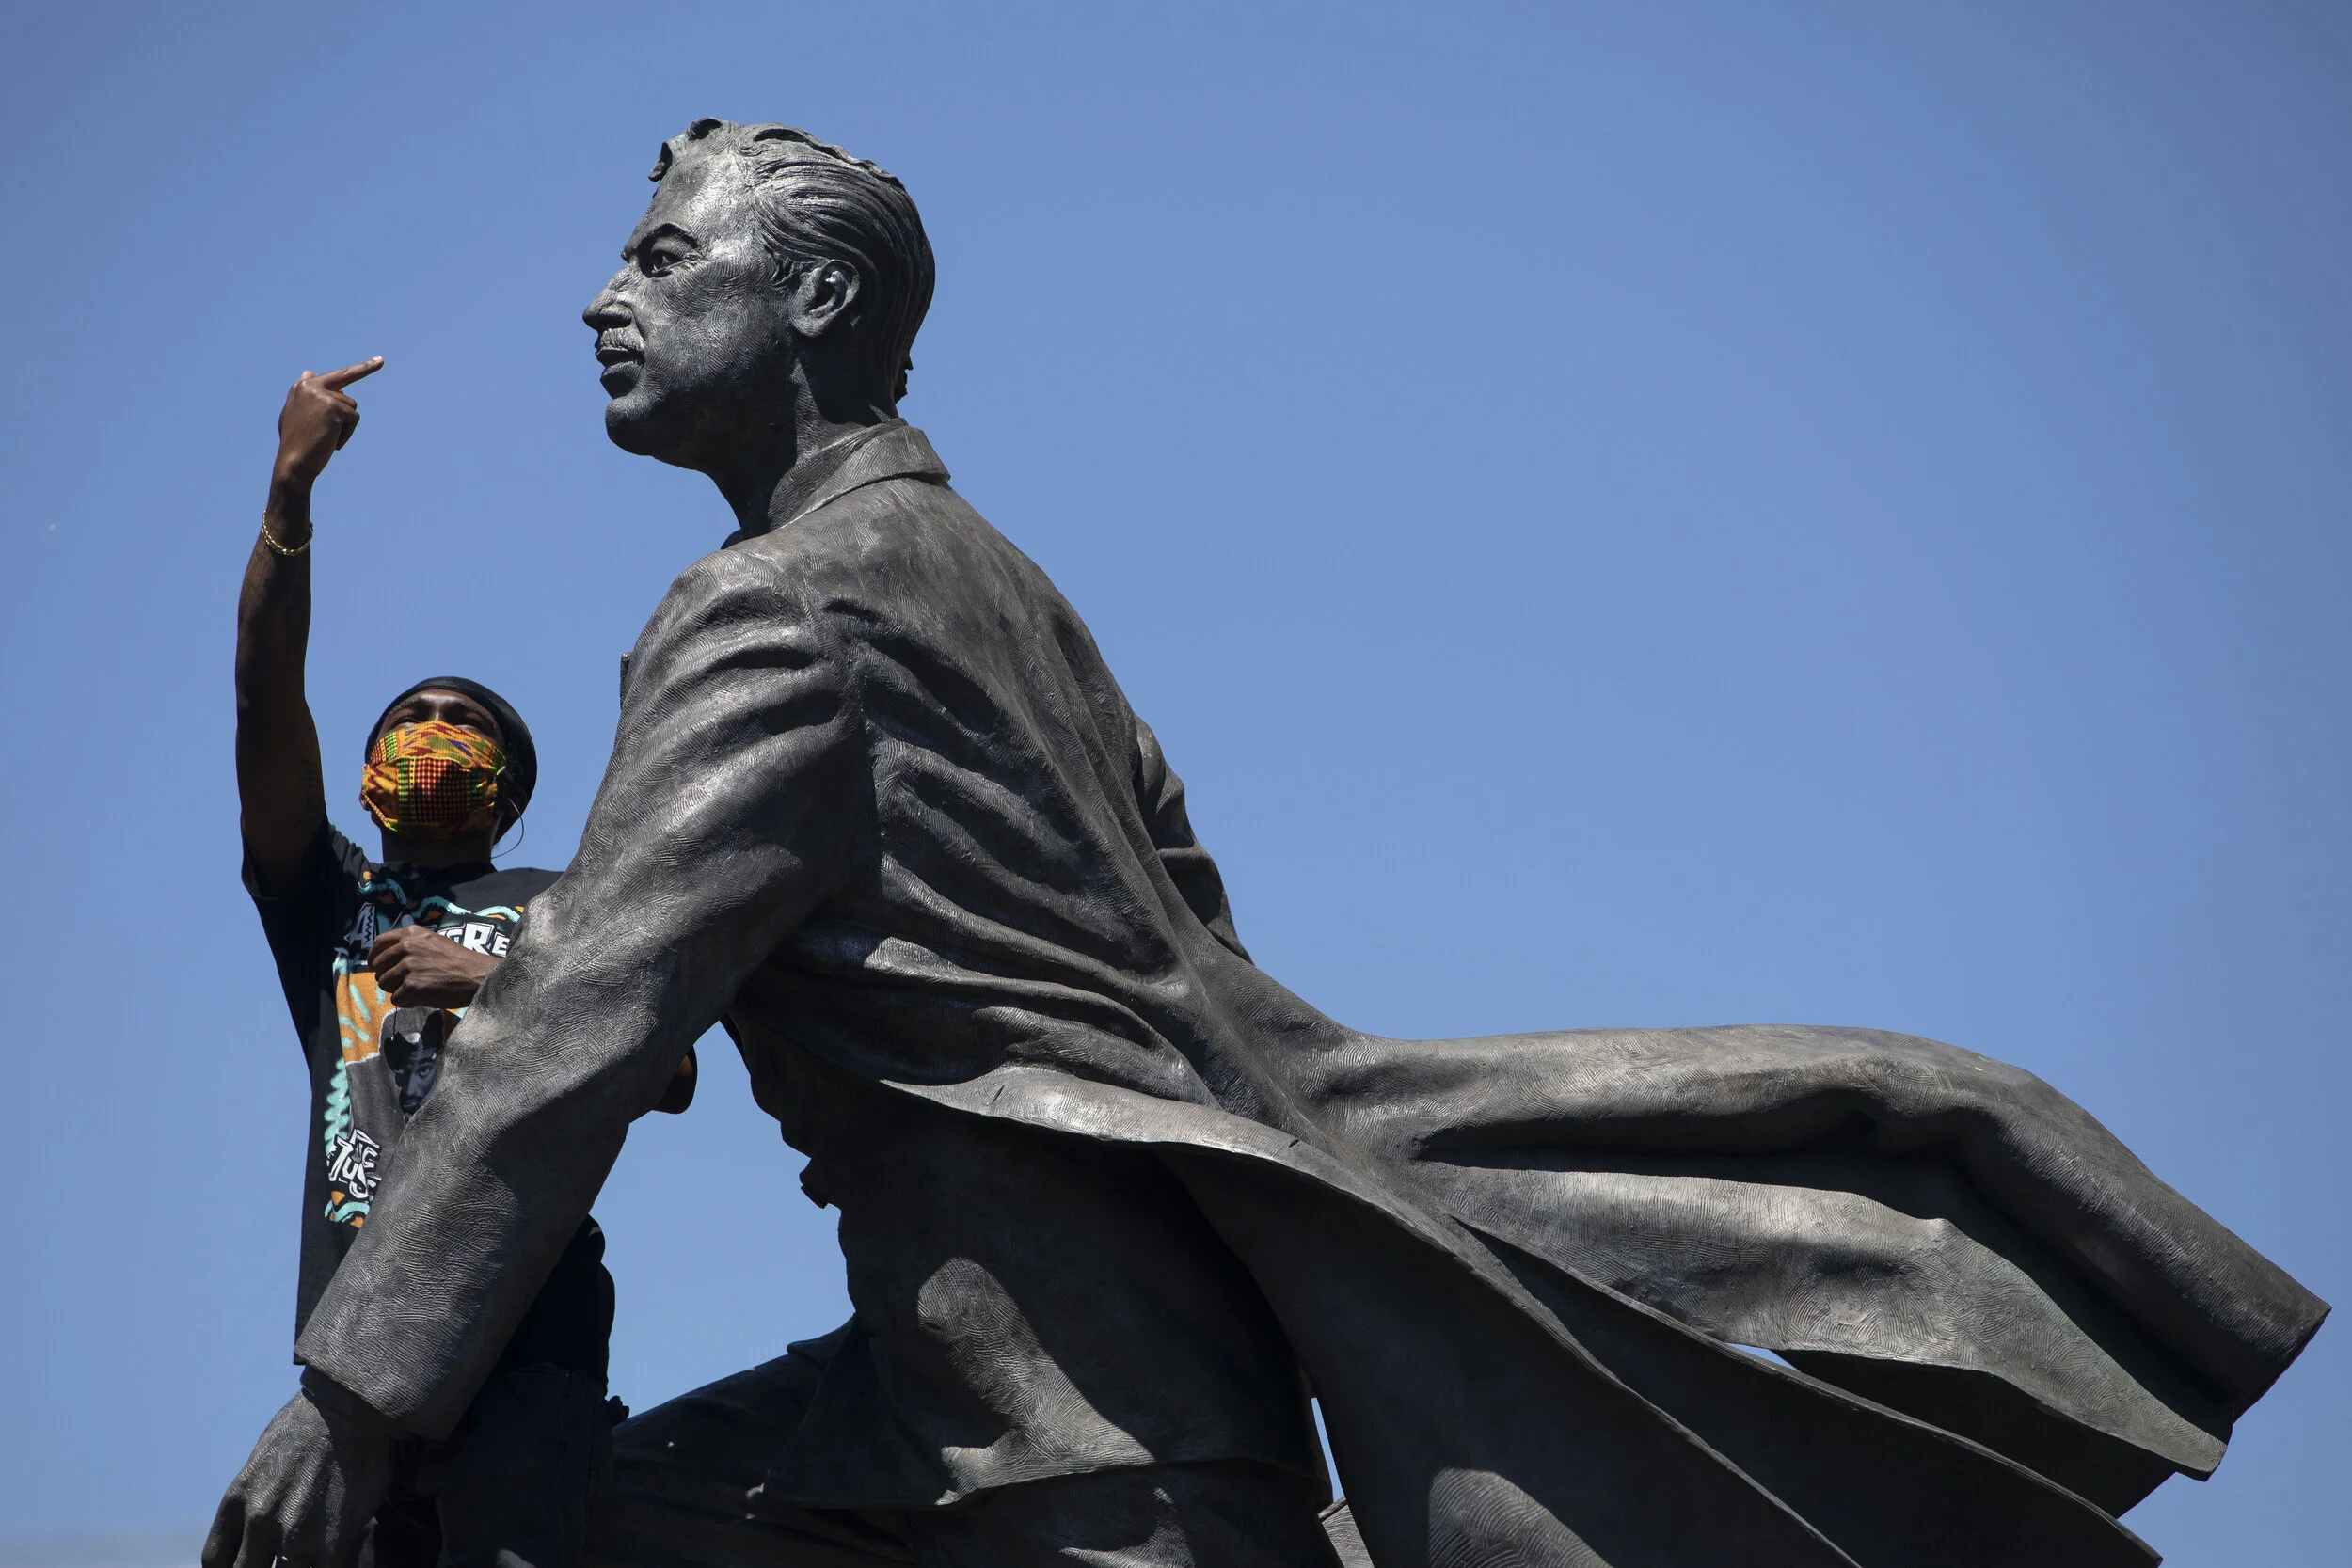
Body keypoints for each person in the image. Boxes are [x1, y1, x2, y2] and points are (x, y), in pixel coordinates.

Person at [206, 123, 2323, 1568]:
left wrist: (352, 1399)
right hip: (1011, 1382)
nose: (604, 297)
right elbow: (1110, 933)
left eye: (666, 259)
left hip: (1057, 1434)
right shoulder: (993, 579)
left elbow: (596, 1016)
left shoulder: (769, 604)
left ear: (819, 296)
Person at [229, 359, 693, 1568]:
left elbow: (673, 1064)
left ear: (513, 791)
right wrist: (290, 490)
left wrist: (489, 978)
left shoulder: (567, 902)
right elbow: (265, 698)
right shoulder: (328, 898)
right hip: (351, 1334)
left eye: (467, 723)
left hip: (524, 1327)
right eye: (409, 719)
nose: (434, 731)